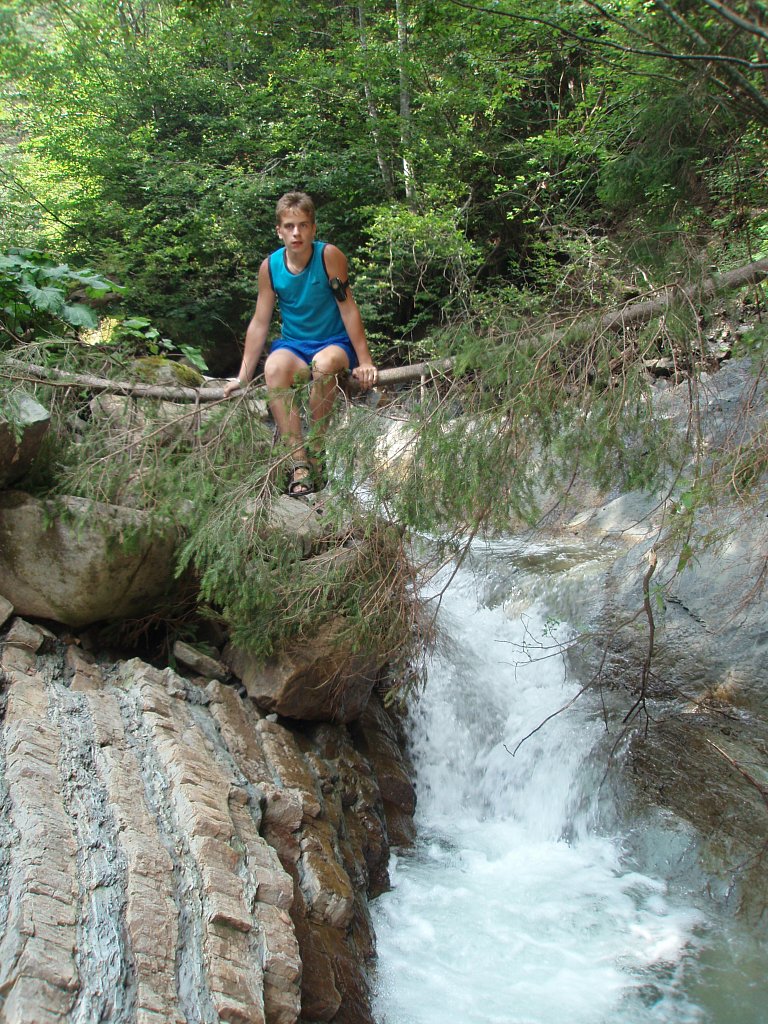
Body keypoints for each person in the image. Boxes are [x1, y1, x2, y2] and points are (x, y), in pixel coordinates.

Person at [223, 191, 377, 496]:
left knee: (325, 364)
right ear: (279, 231)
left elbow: (348, 308)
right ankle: (299, 463)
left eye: (303, 225)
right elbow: (260, 321)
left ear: (313, 229)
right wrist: (242, 377)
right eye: (290, 226)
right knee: (273, 367)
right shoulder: (270, 267)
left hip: (333, 343)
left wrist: (365, 362)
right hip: (293, 345)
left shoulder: (329, 256)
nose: (297, 233)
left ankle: (317, 452)